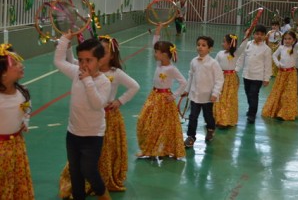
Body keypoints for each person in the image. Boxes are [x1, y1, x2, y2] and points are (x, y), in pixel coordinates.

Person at [59, 35, 140, 197]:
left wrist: (120, 101)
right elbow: (68, 60)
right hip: (80, 126)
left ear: (111, 55)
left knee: (102, 154)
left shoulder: (114, 73)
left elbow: (134, 86)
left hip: (105, 118)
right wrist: (67, 44)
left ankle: (102, 182)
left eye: (105, 52)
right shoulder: (84, 67)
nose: (102, 55)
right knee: (83, 163)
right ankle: (86, 184)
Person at [54, 33, 112, 200]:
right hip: (73, 133)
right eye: (80, 60)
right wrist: (64, 41)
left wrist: (87, 80)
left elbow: (97, 104)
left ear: (100, 61)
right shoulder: (76, 72)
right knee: (75, 171)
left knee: (88, 169)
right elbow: (58, 61)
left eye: (89, 60)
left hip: (93, 135)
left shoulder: (103, 82)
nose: (83, 65)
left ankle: (103, 194)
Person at [136, 24, 187, 159]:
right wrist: (157, 31)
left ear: (164, 54)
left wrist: (174, 95)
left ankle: (157, 149)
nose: (155, 53)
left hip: (164, 99)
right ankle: (149, 149)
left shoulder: (171, 68)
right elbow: (155, 44)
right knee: (145, 121)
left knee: (161, 125)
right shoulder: (160, 64)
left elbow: (184, 82)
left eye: (157, 52)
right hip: (154, 96)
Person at [0, 43, 34, 199]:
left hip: (17, 147)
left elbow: (27, 106)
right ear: (2, 74)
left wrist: (25, 121)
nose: (21, 65)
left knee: (16, 183)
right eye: (14, 64)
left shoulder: (22, 91)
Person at [183, 36, 224, 147]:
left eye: (203, 45)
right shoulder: (193, 62)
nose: (200, 47)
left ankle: (210, 129)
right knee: (193, 116)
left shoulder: (213, 63)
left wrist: (215, 93)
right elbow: (190, 76)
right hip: (195, 95)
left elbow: (219, 79)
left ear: (210, 49)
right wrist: (187, 90)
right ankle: (191, 136)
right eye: (198, 45)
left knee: (208, 116)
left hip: (207, 97)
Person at [235, 24, 272, 124]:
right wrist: (236, 69)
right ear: (253, 34)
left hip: (258, 77)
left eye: (261, 34)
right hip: (246, 75)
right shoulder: (248, 45)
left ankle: (252, 114)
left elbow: (268, 65)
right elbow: (242, 58)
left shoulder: (266, 49)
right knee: (248, 93)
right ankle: (251, 108)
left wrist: (266, 78)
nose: (259, 36)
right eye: (257, 34)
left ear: (265, 36)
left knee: (253, 94)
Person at [214, 31, 249, 128]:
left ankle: (227, 120)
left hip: (231, 80)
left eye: (224, 42)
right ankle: (219, 118)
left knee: (229, 99)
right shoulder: (220, 53)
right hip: (221, 78)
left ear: (230, 44)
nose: (222, 43)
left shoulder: (235, 54)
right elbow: (214, 65)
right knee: (220, 99)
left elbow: (242, 47)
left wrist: (246, 36)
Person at [262, 31, 298, 120]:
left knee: (288, 93)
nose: (287, 41)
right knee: (279, 91)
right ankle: (277, 110)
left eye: (289, 39)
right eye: (285, 39)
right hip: (281, 74)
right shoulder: (281, 48)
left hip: (291, 74)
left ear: (294, 40)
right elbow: (274, 55)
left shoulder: (295, 48)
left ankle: (285, 113)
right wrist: (278, 64)